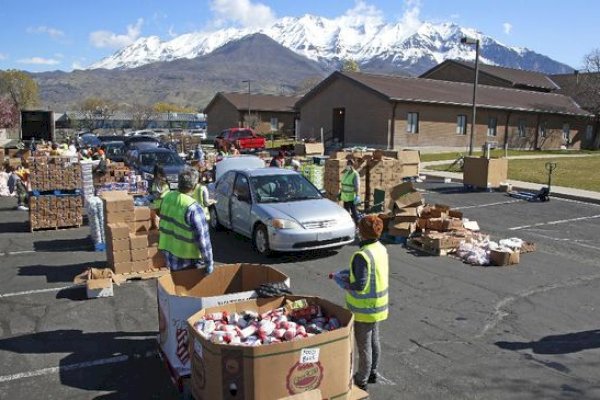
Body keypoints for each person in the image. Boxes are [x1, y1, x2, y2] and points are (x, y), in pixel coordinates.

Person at [341, 215, 389, 392]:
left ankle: (361, 379)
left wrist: (345, 283)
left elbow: (360, 284)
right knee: (374, 341)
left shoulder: (361, 255)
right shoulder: (380, 248)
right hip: (377, 305)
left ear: (362, 232)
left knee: (364, 346)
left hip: (363, 309)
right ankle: (373, 372)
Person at [158, 167, 214, 273]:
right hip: (189, 260)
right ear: (194, 185)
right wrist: (209, 262)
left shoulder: (167, 197)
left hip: (170, 255)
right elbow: (203, 239)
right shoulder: (193, 207)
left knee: (177, 287)